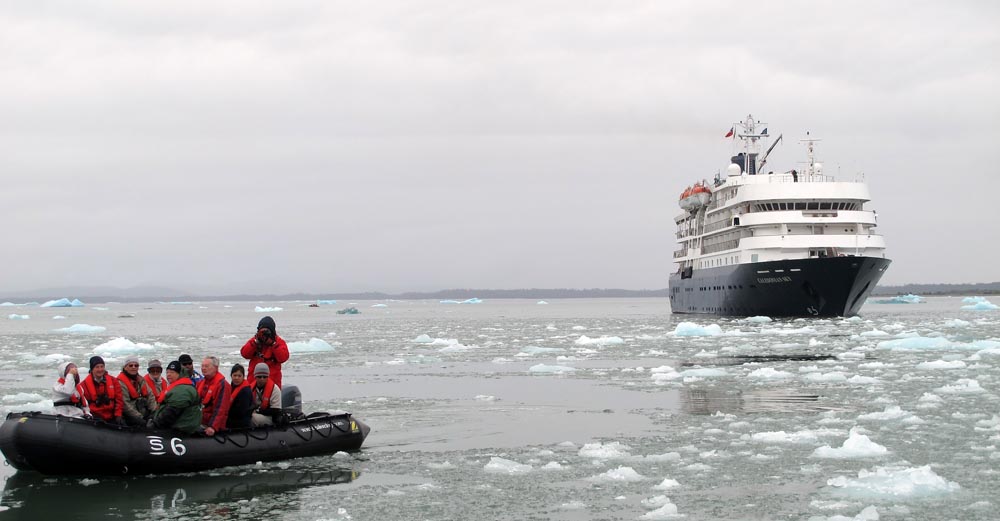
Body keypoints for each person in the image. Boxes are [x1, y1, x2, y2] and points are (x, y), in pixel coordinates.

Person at [148, 361, 202, 434]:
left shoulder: (183, 390)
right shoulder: (177, 388)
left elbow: (171, 413)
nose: (169, 375)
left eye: (172, 372)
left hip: (183, 428)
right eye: (167, 372)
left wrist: (155, 424)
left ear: (180, 374)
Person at [240, 316, 290, 387]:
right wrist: (255, 343)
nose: (264, 335)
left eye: (266, 332)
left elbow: (283, 357)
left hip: (272, 384)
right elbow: (244, 353)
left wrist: (272, 344)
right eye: (262, 332)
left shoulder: (278, 342)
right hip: (253, 383)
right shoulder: (255, 341)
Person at [80, 356, 124, 424]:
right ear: (92, 369)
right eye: (97, 367)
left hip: (112, 416)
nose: (100, 369)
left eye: (102, 366)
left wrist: (118, 414)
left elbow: (119, 400)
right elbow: (84, 405)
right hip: (95, 418)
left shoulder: (113, 381)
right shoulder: (83, 385)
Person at [117, 355, 158, 426]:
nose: (134, 367)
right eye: (131, 365)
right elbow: (125, 404)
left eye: (136, 365)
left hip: (143, 413)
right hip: (130, 416)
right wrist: (140, 418)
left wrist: (155, 412)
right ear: (125, 367)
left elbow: (150, 396)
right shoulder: (120, 383)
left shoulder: (141, 380)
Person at [196, 356, 232, 436]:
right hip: (200, 420)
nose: (203, 368)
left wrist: (212, 426)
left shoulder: (223, 385)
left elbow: (221, 409)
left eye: (206, 366)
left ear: (216, 367)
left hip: (213, 425)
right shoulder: (201, 383)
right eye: (202, 366)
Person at [227, 364, 254, 430]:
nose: (236, 378)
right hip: (233, 419)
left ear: (243, 377)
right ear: (231, 376)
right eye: (235, 375)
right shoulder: (231, 387)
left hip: (241, 422)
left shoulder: (245, 391)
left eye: (239, 376)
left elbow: (241, 412)